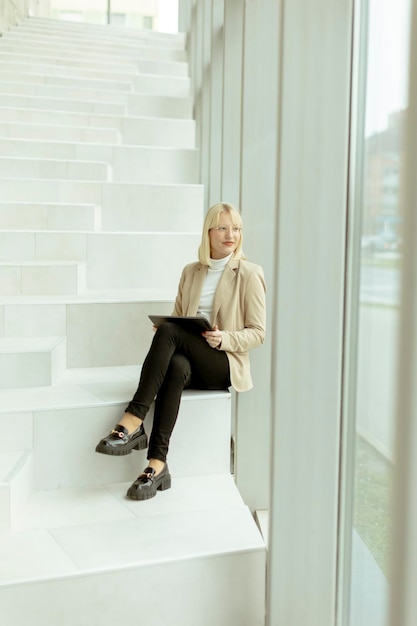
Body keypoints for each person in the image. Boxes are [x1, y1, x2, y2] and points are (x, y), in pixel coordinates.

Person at [95, 202, 266, 500]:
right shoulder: (191, 272)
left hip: (222, 362)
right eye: (223, 228)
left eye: (236, 228)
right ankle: (157, 465)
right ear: (208, 232)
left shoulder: (249, 274)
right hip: (189, 361)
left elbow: (258, 333)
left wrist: (223, 338)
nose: (231, 234)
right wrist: (165, 331)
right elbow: (178, 318)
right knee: (174, 362)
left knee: (170, 332)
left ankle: (133, 420)